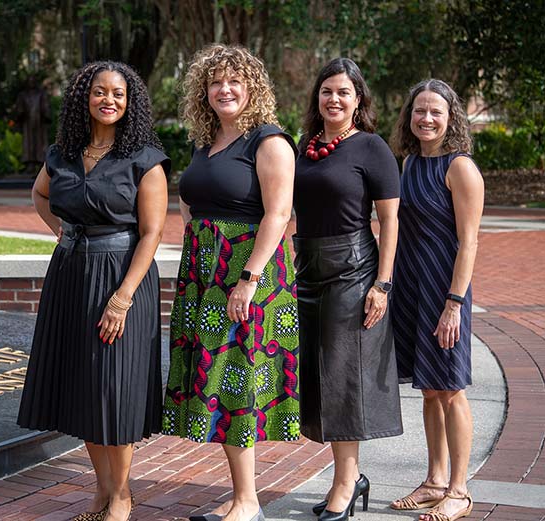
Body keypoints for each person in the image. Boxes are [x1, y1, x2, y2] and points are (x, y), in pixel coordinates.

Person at [17, 61, 170, 521]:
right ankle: (103, 494)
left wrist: (122, 298)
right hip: (70, 276)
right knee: (84, 387)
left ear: (130, 102)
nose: (109, 100)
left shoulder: (144, 158)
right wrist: (62, 230)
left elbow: (152, 234)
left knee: (113, 391)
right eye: (100, 92)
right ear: (85, 97)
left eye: (118, 94)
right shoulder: (63, 152)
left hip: (122, 276)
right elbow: (40, 195)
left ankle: (122, 496)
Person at [162, 44, 299, 521]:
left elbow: (279, 215)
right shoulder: (205, 143)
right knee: (215, 380)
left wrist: (247, 279)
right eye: (215, 82)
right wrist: (199, 240)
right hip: (206, 277)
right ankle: (242, 497)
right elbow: (191, 200)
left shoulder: (269, 142)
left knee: (237, 380)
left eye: (234, 81)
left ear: (252, 88)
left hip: (248, 276)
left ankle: (248, 503)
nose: (225, 89)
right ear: (204, 91)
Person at [292, 57, 403, 521]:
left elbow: (391, 220)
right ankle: (347, 477)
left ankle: (345, 482)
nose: (333, 99)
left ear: (358, 100)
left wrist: (382, 283)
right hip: (308, 267)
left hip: (354, 270)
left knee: (344, 376)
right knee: (316, 376)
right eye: (326, 91)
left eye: (343, 92)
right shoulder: (305, 145)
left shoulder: (372, 148)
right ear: (316, 98)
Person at [388, 79, 483, 521]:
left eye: (435, 112)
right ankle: (434, 481)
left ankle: (460, 491)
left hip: (446, 292)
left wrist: (454, 304)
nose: (426, 118)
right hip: (414, 289)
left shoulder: (460, 168)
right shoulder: (408, 164)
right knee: (430, 390)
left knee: (451, 390)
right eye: (419, 111)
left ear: (451, 118)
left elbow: (469, 243)